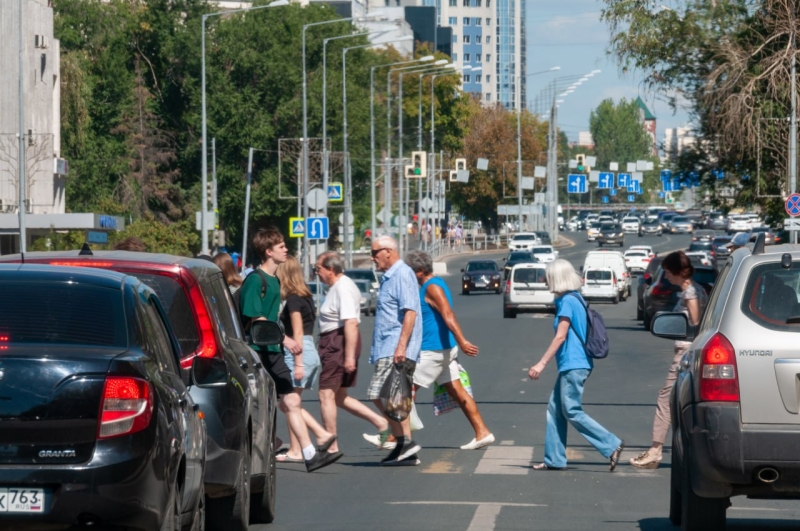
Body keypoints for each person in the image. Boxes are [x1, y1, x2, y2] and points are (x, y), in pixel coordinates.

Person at [239, 228, 341, 473]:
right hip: (259, 352)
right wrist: (284, 339)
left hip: (272, 351)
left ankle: (310, 454)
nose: (286, 249)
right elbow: (255, 317)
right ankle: (264, 454)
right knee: (264, 404)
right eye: (281, 246)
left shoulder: (274, 280)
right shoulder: (256, 279)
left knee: (292, 400)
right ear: (268, 251)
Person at [528, 259, 624, 471]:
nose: (545, 281)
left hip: (574, 364)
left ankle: (611, 444)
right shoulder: (574, 299)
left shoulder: (567, 302)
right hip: (573, 364)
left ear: (557, 278)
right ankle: (554, 459)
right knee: (555, 410)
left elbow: (560, 336)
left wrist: (541, 364)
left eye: (548, 277)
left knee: (571, 410)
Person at [404, 250, 495, 450]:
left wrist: (462, 340)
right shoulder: (433, 284)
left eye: (409, 271)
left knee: (404, 389)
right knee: (457, 391)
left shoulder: (432, 287)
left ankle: (396, 438)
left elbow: (448, 314)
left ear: (419, 271)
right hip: (442, 349)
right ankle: (483, 432)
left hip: (434, 350)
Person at [630, 251, 708, 469]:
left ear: (676, 271)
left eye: (667, 271)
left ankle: (655, 450)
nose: (665, 275)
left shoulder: (690, 292)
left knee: (666, 398)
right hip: (690, 352)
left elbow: (695, 322)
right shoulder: (697, 289)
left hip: (685, 352)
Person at [313, 251, 390, 454]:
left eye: (318, 269)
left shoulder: (343, 288)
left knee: (326, 394)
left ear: (330, 270)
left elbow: (351, 322)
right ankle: (380, 422)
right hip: (336, 343)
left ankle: (331, 444)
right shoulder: (339, 286)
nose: (316, 273)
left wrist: (348, 357)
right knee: (339, 397)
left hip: (337, 343)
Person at [275, 255, 338, 464]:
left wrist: (299, 362)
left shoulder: (292, 299)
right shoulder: (306, 296)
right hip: (309, 349)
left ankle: (321, 435)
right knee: (291, 403)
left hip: (298, 351)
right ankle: (296, 448)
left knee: (288, 402)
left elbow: (298, 331)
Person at [368, 235, 423, 466]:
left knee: (380, 394)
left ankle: (405, 442)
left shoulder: (402, 274)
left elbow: (410, 311)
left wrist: (401, 346)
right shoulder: (389, 277)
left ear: (388, 251)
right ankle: (404, 445)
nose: (372, 258)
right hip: (388, 346)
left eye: (375, 253)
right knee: (394, 396)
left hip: (395, 348)